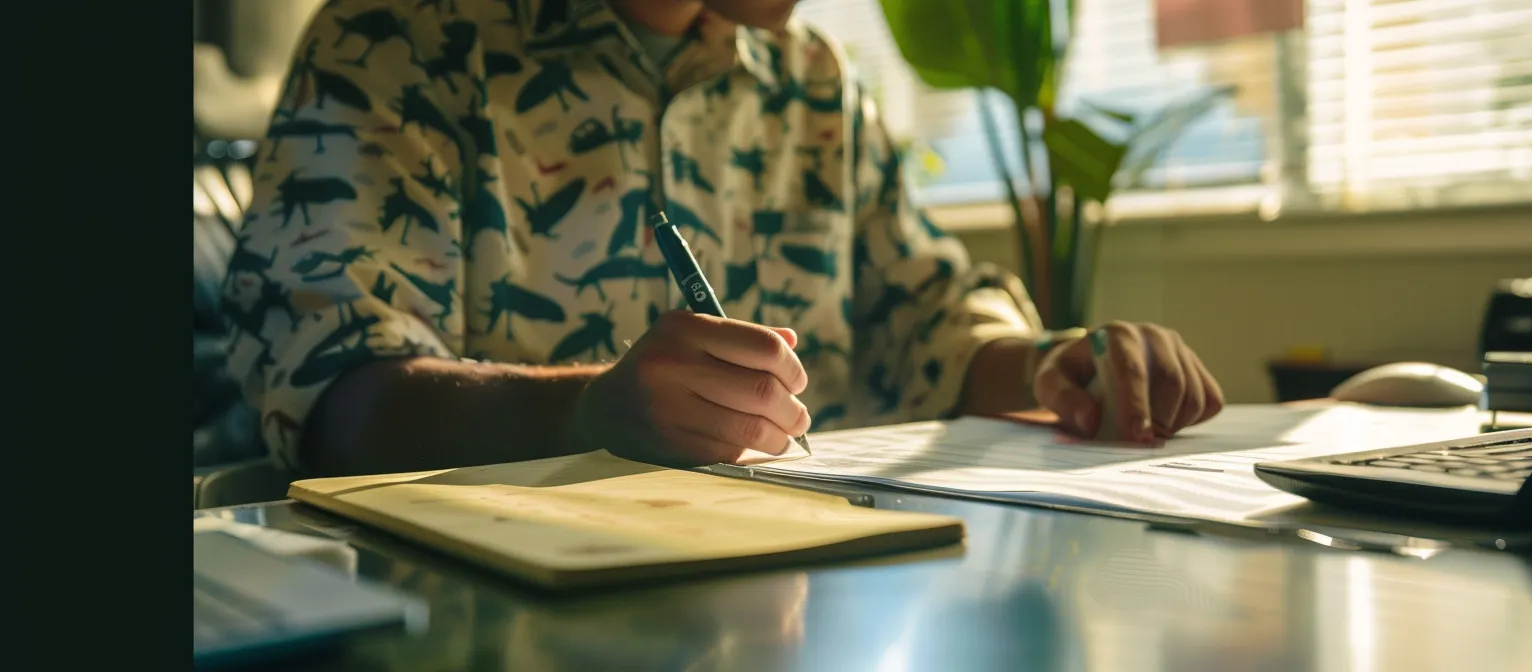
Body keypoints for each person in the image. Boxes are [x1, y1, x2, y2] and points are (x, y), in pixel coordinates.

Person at [222, 0, 1225, 477]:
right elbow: (334, 401)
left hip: (785, 613)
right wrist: (589, 412)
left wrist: (1049, 363)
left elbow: (927, 315)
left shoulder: (815, 83)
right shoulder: (397, 42)